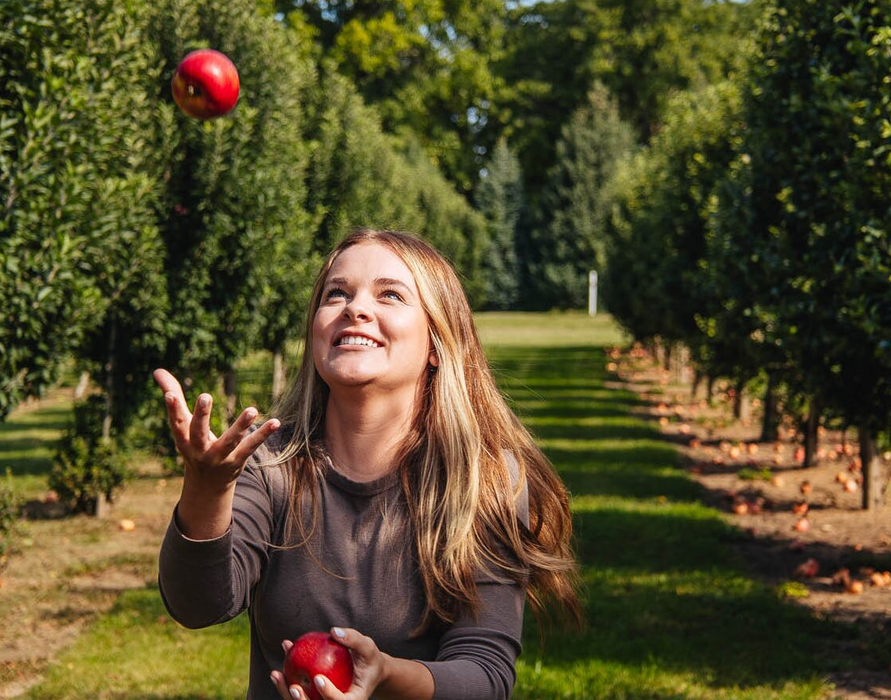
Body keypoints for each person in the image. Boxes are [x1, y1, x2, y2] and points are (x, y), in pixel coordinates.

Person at [155, 228, 581, 700]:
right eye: (336, 293)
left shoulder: (482, 480)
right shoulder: (271, 463)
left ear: (437, 343)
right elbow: (198, 605)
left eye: (390, 295)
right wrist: (207, 490)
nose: (355, 308)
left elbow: (485, 674)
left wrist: (386, 675)